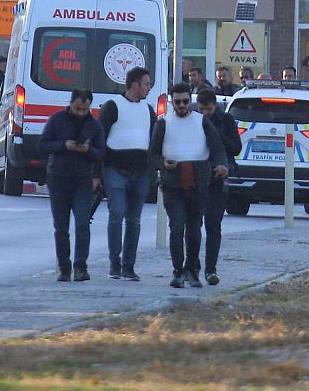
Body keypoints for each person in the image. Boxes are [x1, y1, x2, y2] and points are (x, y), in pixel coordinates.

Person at [151, 82, 229, 289]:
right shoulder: (163, 124)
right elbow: (153, 155)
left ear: (190, 101)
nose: (182, 105)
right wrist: (163, 164)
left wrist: (222, 165)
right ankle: (178, 271)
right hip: (172, 186)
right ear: (172, 102)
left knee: (194, 230)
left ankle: (192, 270)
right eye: (178, 102)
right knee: (176, 228)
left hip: (198, 185)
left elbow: (217, 147)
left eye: (186, 101)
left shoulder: (201, 121)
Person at [40, 88, 105, 282]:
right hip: (58, 178)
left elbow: (101, 153)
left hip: (82, 181)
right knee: (61, 227)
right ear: (70, 103)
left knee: (83, 224)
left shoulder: (94, 126)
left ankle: (80, 267)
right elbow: (42, 145)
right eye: (77, 108)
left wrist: (88, 150)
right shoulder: (57, 120)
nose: (80, 113)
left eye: (85, 109)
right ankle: (64, 267)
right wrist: (63, 145)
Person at [98, 66, 156, 281]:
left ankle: (128, 266)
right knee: (117, 215)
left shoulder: (148, 110)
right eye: (146, 84)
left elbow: (154, 139)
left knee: (134, 220)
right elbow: (100, 137)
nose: (149, 88)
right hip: (115, 170)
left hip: (140, 172)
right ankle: (115, 263)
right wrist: (97, 171)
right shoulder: (113, 106)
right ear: (134, 84)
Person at [196, 89, 242, 285]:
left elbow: (236, 148)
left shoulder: (226, 121)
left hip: (219, 177)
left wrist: (216, 136)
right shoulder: (193, 121)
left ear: (215, 105)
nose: (205, 113)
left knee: (213, 224)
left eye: (209, 109)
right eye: (202, 109)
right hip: (198, 176)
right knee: (193, 225)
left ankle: (210, 269)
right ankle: (193, 267)